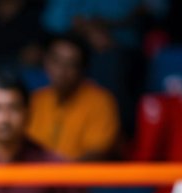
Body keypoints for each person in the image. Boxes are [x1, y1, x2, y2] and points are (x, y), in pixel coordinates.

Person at [26, 32, 120, 160]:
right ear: (46, 62)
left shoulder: (100, 101)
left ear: (82, 69)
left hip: (80, 178)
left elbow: (96, 155)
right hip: (33, 177)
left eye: (71, 64)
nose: (61, 70)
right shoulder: (36, 100)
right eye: (56, 61)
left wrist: (58, 175)